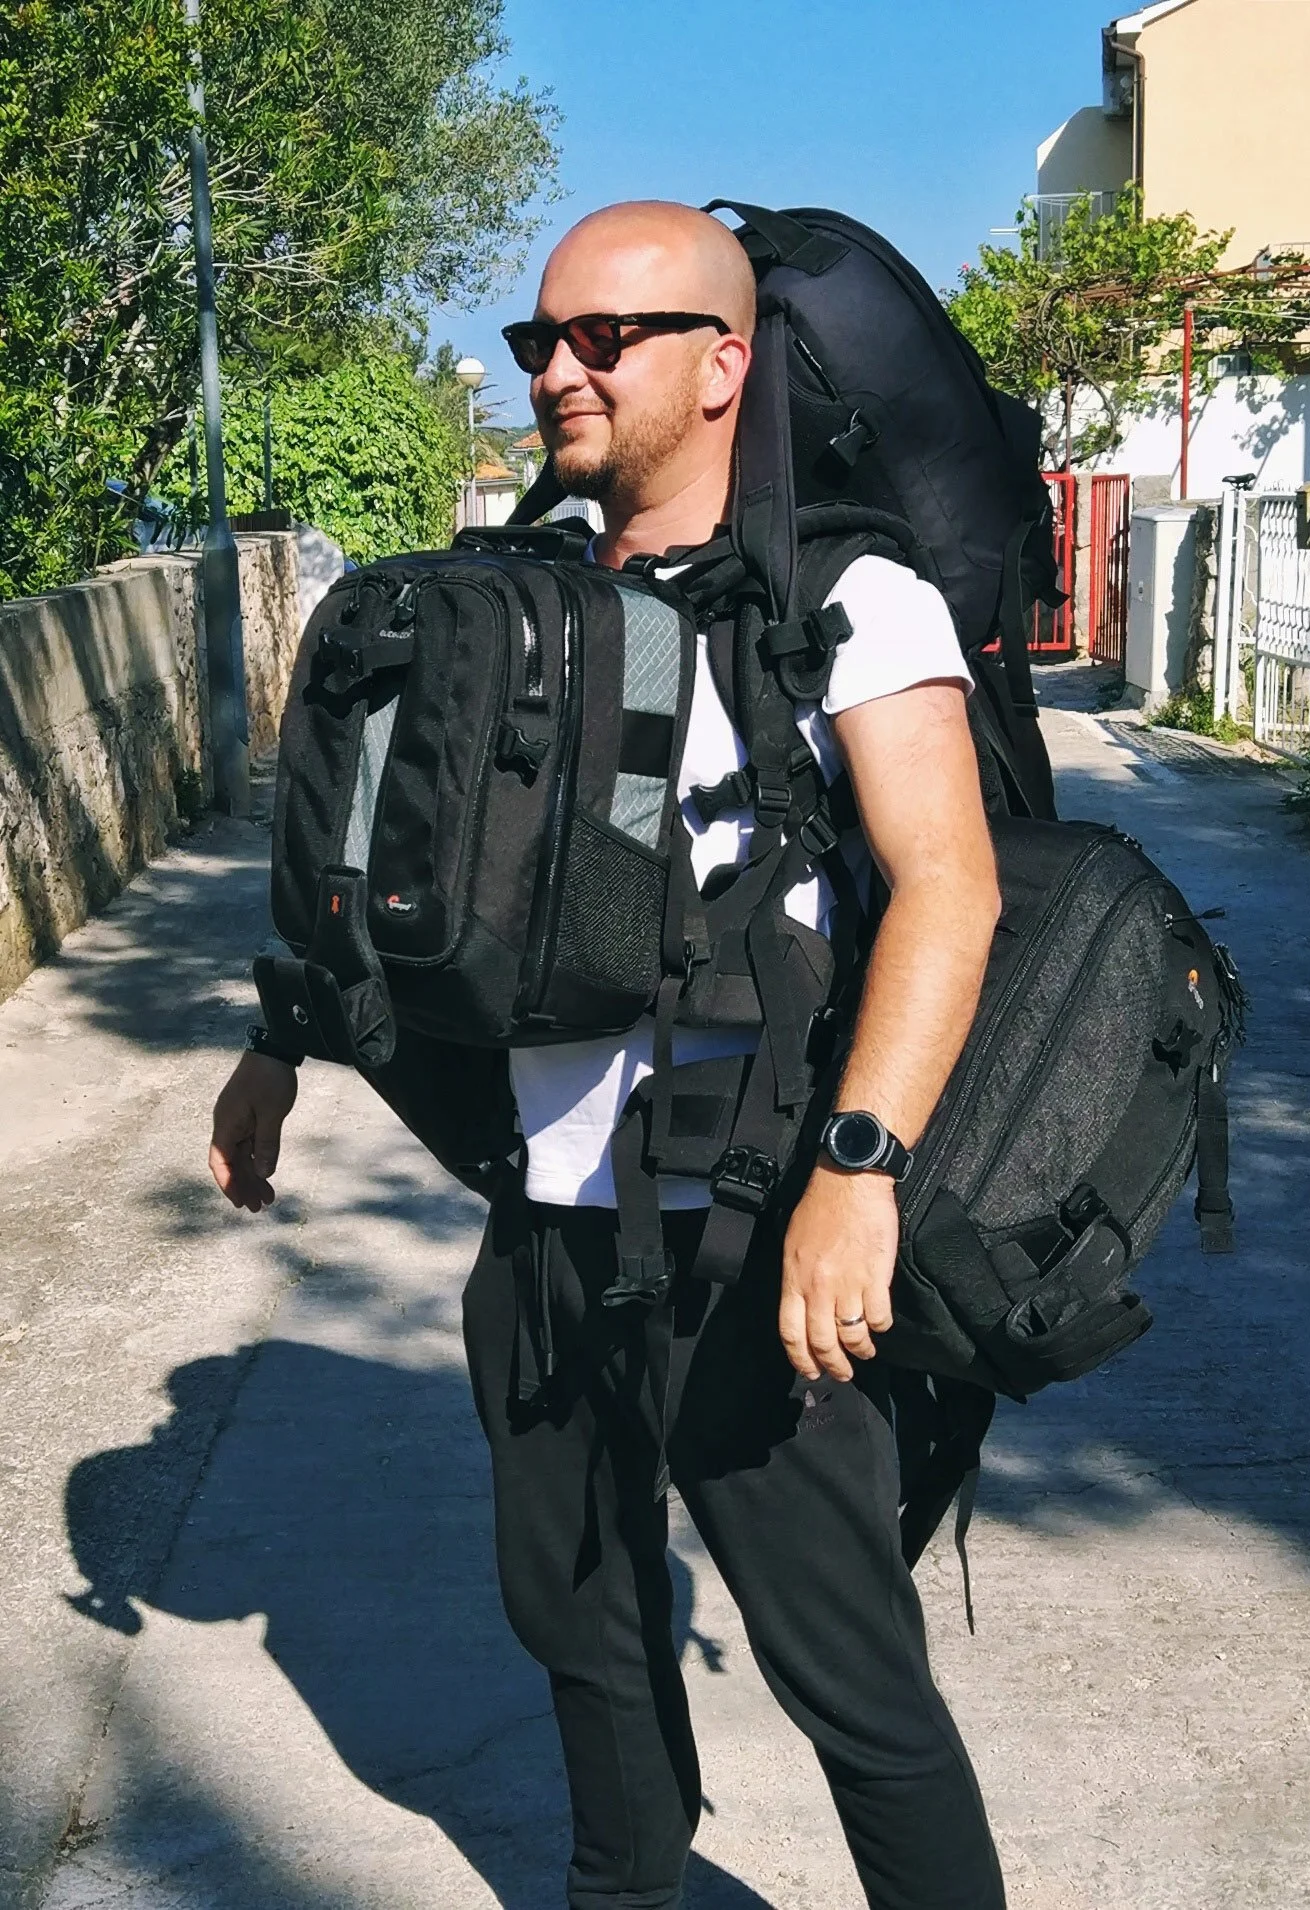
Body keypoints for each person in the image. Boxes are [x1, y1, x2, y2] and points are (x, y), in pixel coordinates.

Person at [210, 201, 1006, 1910]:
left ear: (722, 366)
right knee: (580, 1631)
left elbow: (952, 887)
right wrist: (281, 1040)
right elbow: (419, 874)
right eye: (539, 339)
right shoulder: (538, 594)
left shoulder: (845, 598)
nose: (558, 369)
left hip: (749, 1226)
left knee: (850, 1685)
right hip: (549, 1216)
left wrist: (857, 1176)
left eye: (603, 338)